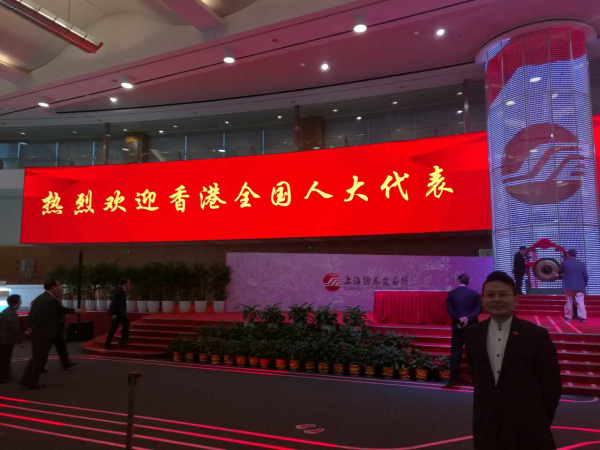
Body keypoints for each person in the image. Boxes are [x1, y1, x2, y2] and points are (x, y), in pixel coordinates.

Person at [465, 271, 562, 450]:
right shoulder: (472, 334)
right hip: (487, 425)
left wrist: (539, 420)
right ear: (483, 299)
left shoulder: (536, 335)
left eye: (503, 294)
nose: (496, 299)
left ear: (516, 299)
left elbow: (552, 384)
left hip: (529, 426)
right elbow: (477, 377)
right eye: (490, 295)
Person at [20, 279, 62, 389]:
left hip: (37, 334)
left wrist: (30, 327)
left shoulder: (39, 298)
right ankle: (32, 382)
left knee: (36, 357)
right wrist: (76, 311)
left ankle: (25, 378)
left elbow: (31, 314)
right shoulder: (50, 300)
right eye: (58, 286)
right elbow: (47, 315)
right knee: (40, 358)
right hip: (44, 334)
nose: (60, 288)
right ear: (53, 287)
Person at [443, 274, 481, 389]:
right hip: (472, 326)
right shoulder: (474, 294)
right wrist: (467, 318)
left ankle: (453, 381)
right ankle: (477, 381)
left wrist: (459, 318)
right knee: (473, 353)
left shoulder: (452, 294)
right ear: (468, 282)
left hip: (457, 326)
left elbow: (450, 309)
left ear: (458, 281)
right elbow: (478, 309)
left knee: (455, 353)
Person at [50, 288, 79, 371]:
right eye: (60, 292)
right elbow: (61, 310)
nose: (62, 293)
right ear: (55, 292)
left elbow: (61, 312)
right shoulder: (53, 301)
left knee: (61, 346)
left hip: (57, 327)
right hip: (53, 328)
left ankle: (66, 363)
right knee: (46, 349)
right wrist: (76, 310)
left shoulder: (57, 300)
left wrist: (64, 322)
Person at [559, 249, 588, 324]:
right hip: (580, 286)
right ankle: (583, 317)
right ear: (576, 255)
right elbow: (585, 276)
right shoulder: (582, 264)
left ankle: (568, 316)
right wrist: (584, 284)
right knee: (580, 301)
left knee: (569, 301)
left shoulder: (565, 263)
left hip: (568, 285)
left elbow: (559, 272)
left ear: (568, 255)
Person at [0, 295, 23, 382]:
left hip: (3, 338)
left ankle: (5, 375)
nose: (21, 303)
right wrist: (20, 341)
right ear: (15, 303)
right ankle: (2, 377)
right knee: (5, 358)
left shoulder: (6, 311)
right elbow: (15, 329)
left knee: (4, 358)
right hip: (6, 339)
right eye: (19, 301)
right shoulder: (11, 314)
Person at [105, 278, 131, 350]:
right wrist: (113, 314)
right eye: (128, 283)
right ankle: (122, 341)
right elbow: (115, 303)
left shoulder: (122, 290)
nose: (129, 284)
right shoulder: (119, 291)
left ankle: (121, 341)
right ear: (124, 284)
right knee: (116, 327)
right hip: (117, 313)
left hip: (119, 313)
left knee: (122, 325)